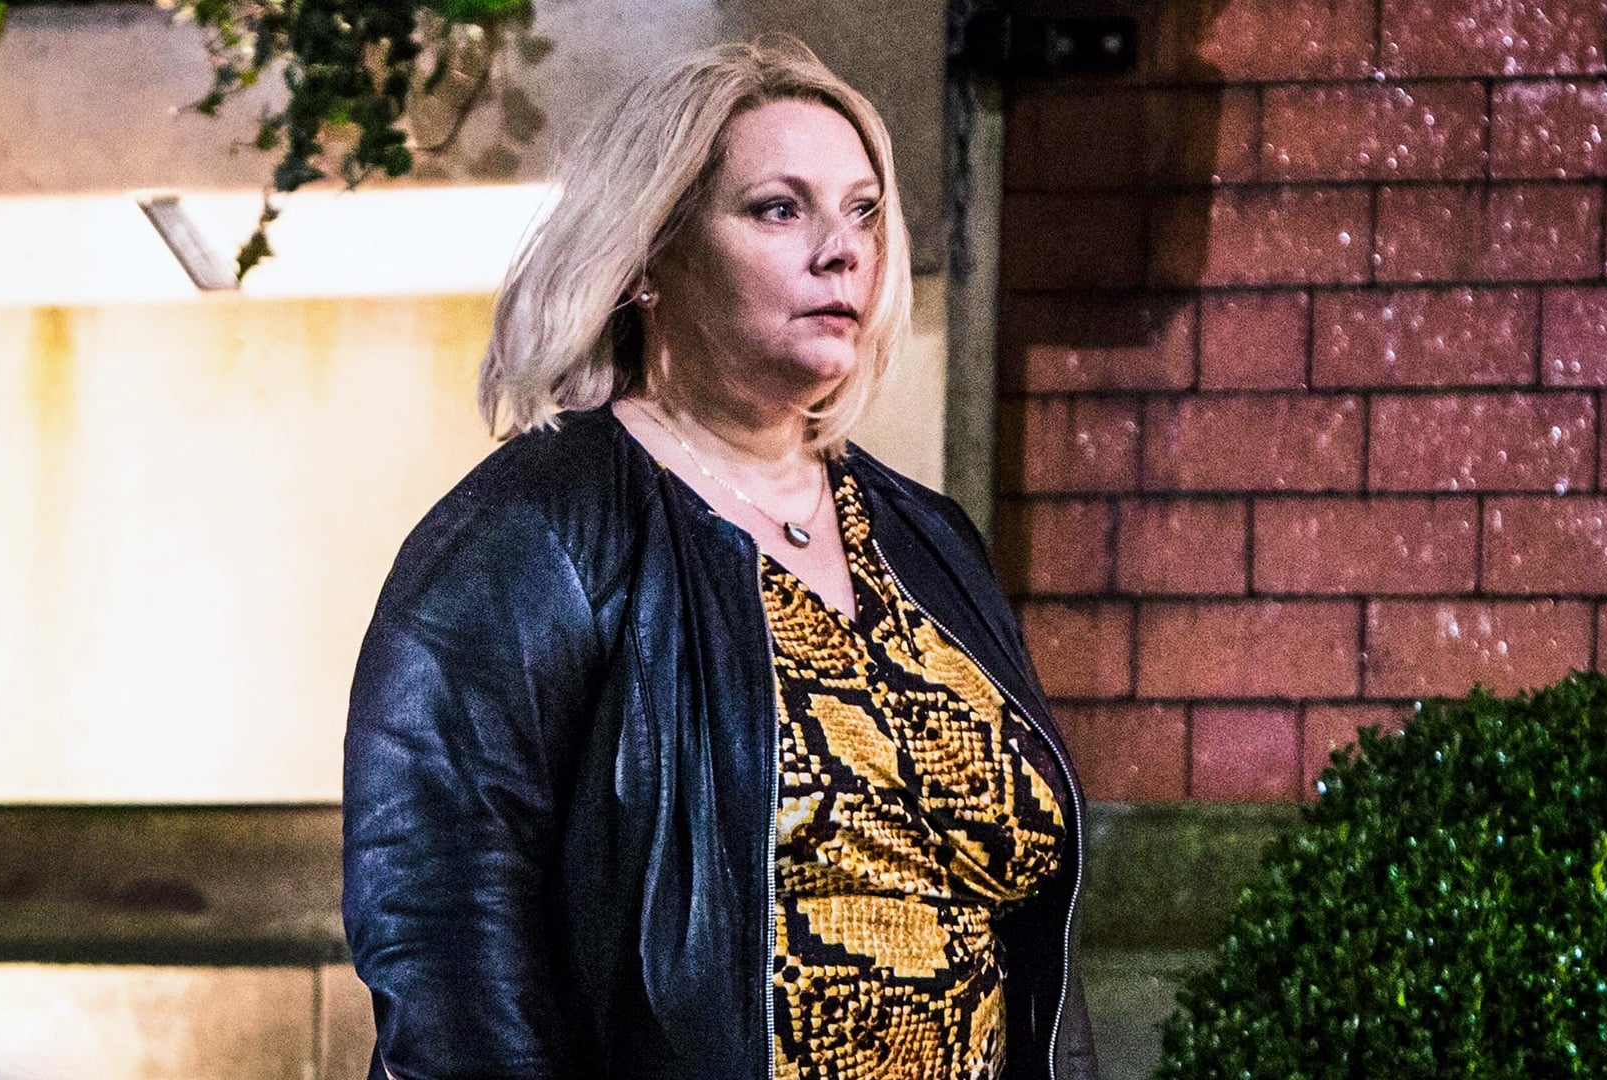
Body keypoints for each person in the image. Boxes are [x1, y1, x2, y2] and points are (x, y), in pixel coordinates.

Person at [341, 35, 1097, 1080]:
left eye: (863, 212)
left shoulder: (928, 538)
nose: (841, 251)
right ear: (652, 255)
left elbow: (1032, 936)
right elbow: (439, 931)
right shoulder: (532, 529)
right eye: (780, 209)